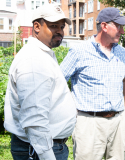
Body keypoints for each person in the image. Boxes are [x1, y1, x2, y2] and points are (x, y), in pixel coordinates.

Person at [4, 4, 76, 160]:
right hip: (40, 150)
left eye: (62, 27)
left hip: (43, 147)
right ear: (37, 26)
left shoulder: (42, 54)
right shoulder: (33, 60)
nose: (60, 31)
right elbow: (34, 120)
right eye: (53, 26)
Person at [60, 7, 125, 160]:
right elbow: (58, 81)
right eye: (119, 26)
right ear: (105, 26)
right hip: (89, 124)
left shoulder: (122, 53)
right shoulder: (79, 51)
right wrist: (70, 108)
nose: (122, 31)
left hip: (118, 122)